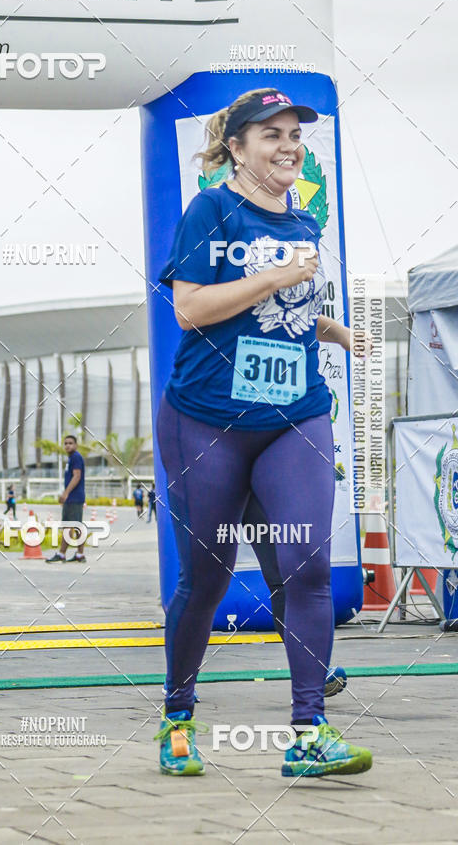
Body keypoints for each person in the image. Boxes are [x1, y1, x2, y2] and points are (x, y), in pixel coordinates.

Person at [153, 88, 372, 778]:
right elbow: (190, 309)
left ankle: (309, 735)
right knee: (207, 581)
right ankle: (178, 714)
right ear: (237, 147)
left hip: (295, 414)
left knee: (305, 566)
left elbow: (289, 306)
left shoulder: (304, 220)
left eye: (294, 136)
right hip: (207, 422)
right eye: (270, 135)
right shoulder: (210, 210)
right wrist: (277, 273)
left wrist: (335, 330)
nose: (287, 146)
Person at [243, 493, 347, 699]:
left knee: (281, 580)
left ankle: (311, 675)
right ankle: (180, 682)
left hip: (259, 486)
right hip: (216, 477)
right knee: (200, 584)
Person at [46, 435, 86, 563]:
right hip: (73, 497)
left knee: (70, 526)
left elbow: (77, 476)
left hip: (74, 497)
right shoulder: (71, 458)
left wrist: (66, 493)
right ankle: (79, 555)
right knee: (74, 525)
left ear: (76, 445)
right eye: (66, 443)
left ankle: (62, 554)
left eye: (70, 443)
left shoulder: (75, 457)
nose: (68, 445)